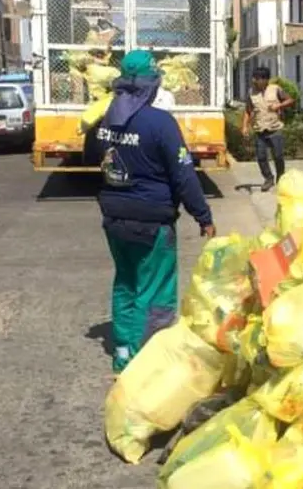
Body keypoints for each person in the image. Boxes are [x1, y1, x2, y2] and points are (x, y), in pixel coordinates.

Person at [95, 49, 216, 374]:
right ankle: (146, 362)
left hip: (115, 220)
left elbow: (91, 159)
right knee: (155, 289)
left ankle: (122, 351)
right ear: (149, 85)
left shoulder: (105, 121)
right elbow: (183, 175)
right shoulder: (160, 123)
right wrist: (203, 216)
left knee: (126, 283)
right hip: (152, 221)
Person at [241, 66, 294, 192]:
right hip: (260, 130)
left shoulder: (275, 89)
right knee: (261, 157)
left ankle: (280, 179)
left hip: (275, 128)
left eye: (257, 78)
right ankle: (268, 178)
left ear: (265, 80)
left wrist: (279, 105)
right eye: (254, 78)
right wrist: (244, 126)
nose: (254, 81)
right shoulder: (251, 93)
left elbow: (291, 100)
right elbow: (248, 111)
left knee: (278, 156)